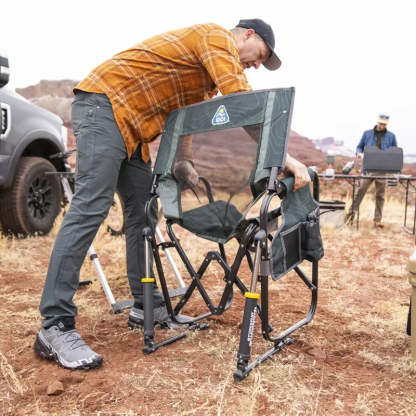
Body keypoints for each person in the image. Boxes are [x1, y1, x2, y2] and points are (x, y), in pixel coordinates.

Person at [34, 19, 311, 370]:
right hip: (104, 107)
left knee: (144, 213)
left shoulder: (204, 79)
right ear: (248, 35)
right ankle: (55, 325)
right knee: (90, 207)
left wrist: (184, 164)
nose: (257, 65)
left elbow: (184, 124)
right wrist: (284, 159)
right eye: (262, 55)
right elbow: (243, 105)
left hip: (132, 132)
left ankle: (146, 306)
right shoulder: (216, 37)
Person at [345, 114, 397, 228]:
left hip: (382, 170)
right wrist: (359, 153)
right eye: (381, 123)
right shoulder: (367, 133)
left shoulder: (391, 136)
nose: (382, 126)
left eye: (384, 124)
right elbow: (359, 146)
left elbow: (395, 150)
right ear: (377, 122)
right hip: (367, 169)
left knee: (380, 196)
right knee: (360, 192)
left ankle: (377, 220)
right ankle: (349, 217)